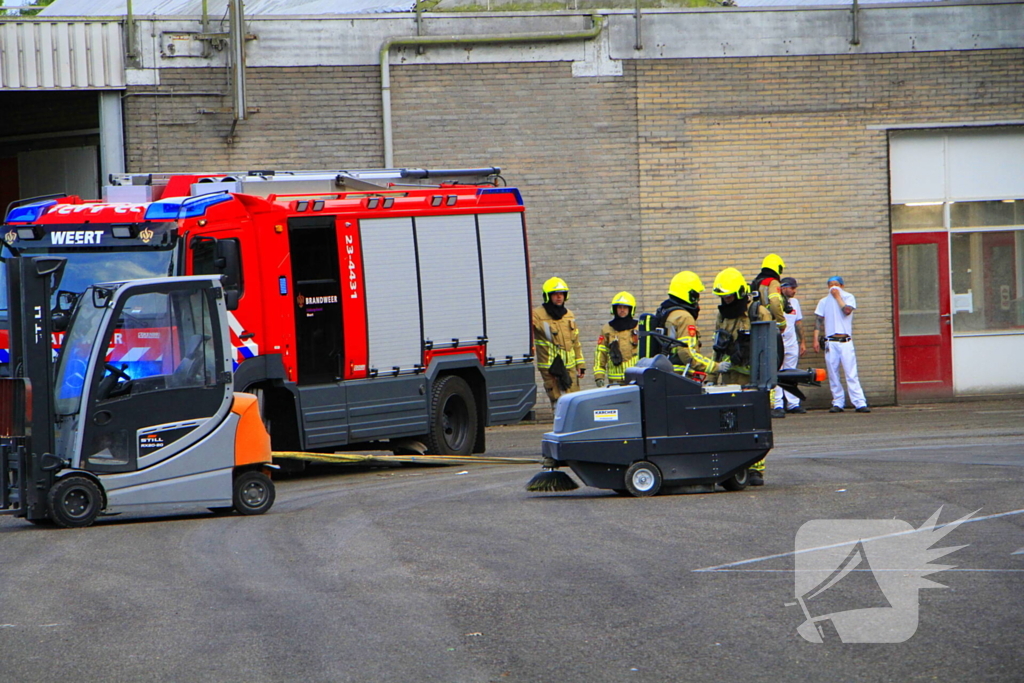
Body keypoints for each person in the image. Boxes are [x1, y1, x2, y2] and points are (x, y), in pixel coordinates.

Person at [711, 267, 774, 486]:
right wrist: (714, 372)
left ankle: (756, 469)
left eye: (728, 296)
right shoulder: (722, 315)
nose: (725, 301)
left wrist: (768, 383)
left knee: (754, 423)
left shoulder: (758, 312)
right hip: (731, 378)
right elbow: (718, 345)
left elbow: (771, 348)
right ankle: (735, 466)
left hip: (754, 380)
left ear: (738, 293)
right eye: (722, 297)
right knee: (730, 423)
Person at [654, 271, 727, 379]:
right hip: (680, 376)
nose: (698, 299)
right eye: (696, 294)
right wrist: (715, 366)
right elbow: (687, 353)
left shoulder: (666, 312)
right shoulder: (684, 317)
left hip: (666, 374)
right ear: (690, 294)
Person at [813, 276, 870, 413]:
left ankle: (859, 402)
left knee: (851, 373)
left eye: (836, 284)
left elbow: (847, 311)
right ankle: (838, 402)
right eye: (830, 284)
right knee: (833, 373)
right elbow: (818, 321)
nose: (833, 287)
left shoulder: (848, 297)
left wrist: (838, 297)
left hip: (845, 341)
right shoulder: (823, 302)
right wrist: (815, 339)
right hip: (830, 342)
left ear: (842, 286)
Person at [533, 276, 585, 406]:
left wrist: (580, 364)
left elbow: (576, 342)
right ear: (547, 296)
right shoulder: (537, 315)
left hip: (570, 366)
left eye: (561, 294)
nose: (559, 297)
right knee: (559, 401)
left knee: (573, 399)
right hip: (551, 367)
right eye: (555, 294)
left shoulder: (569, 315)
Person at [773, 276, 807, 417]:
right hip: (777, 343)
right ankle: (778, 404)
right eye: (792, 288)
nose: (794, 291)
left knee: (791, 373)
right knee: (776, 373)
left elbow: (798, 323)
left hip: (792, 342)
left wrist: (802, 341)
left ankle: (793, 404)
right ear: (784, 288)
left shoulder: (795, 302)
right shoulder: (774, 303)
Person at [594, 291, 640, 387]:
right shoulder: (607, 329)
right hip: (615, 381)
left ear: (631, 309)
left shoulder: (638, 327)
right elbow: (600, 353)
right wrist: (599, 376)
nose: (622, 310)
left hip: (635, 379)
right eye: (619, 307)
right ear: (614, 309)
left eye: (625, 307)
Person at [751, 253, 788, 334]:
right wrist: (782, 323)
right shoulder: (772, 282)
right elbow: (775, 302)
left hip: (755, 323)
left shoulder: (756, 281)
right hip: (768, 323)